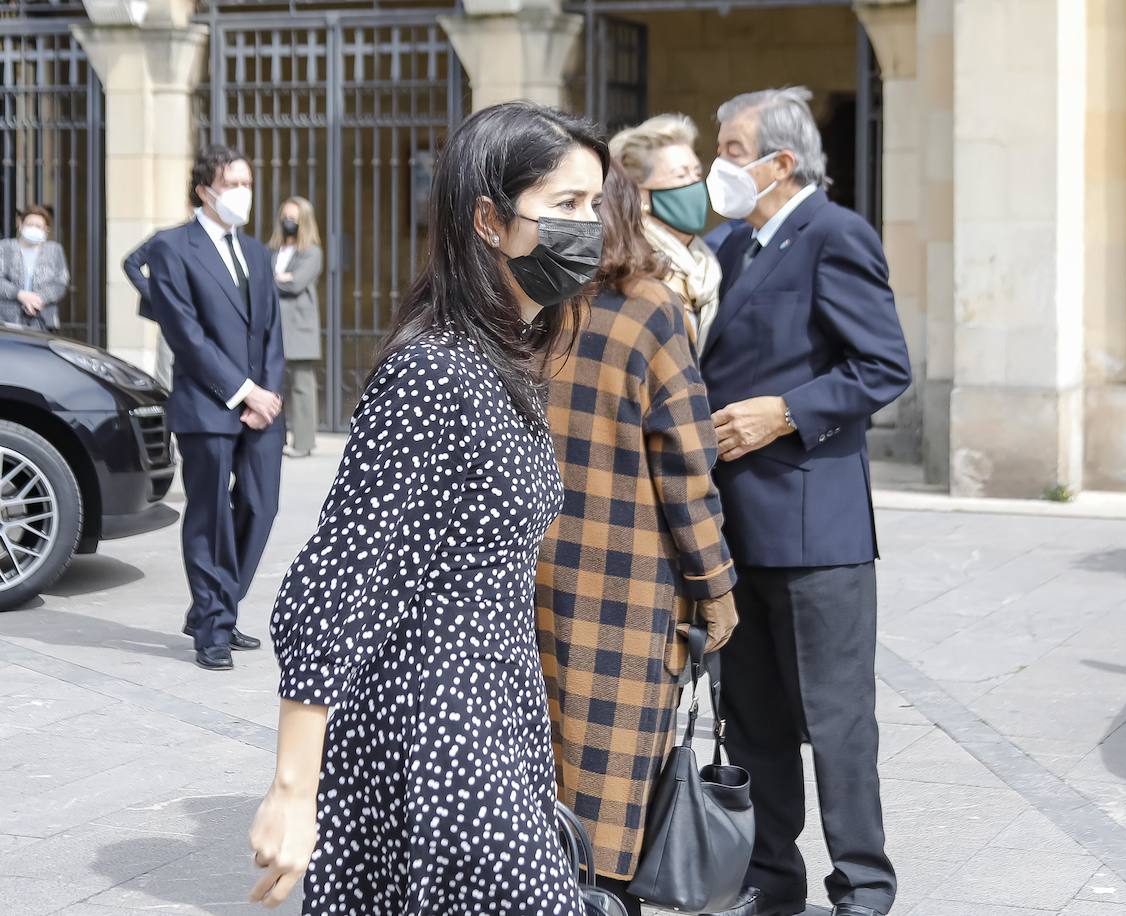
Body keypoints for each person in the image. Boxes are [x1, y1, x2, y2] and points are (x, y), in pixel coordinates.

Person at [247, 102, 607, 914]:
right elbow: (336, 577)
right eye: (565, 205)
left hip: (493, 706)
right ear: (488, 217)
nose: (588, 227)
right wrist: (291, 790)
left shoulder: (500, 359)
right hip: (438, 724)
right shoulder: (434, 373)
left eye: (595, 205)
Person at [699, 87, 911, 916]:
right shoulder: (730, 246)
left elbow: (883, 366)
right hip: (733, 529)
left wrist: (787, 412)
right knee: (753, 721)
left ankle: (862, 884)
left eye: (732, 147)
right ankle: (770, 877)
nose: (720, 164)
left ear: (781, 163)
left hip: (815, 528)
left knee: (837, 722)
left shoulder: (836, 235)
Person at [536, 159, 738, 916]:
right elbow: (687, 469)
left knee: (544, 770)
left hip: (534, 578)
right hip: (626, 590)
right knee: (613, 787)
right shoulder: (651, 308)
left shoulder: (534, 306)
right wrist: (716, 589)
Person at [143, 144, 286, 672]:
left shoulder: (256, 252)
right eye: (233, 184)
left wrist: (266, 396)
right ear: (205, 189)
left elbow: (270, 330)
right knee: (211, 518)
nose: (243, 193)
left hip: (262, 406)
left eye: (248, 183)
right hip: (207, 404)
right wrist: (242, 390)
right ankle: (212, 624)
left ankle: (217, 605)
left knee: (260, 506)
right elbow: (186, 334)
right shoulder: (172, 248)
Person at [611, 113, 721, 349]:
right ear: (640, 194)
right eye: (681, 175)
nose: (694, 185)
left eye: (697, 174)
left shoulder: (703, 262)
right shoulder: (632, 263)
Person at [269, 196, 324, 457]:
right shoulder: (275, 251)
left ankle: (303, 443)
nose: (287, 222)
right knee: (273, 383)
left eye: (293, 218)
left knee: (302, 385)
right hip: (275, 325)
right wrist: (279, 277)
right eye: (285, 217)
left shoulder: (312, 252)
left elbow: (296, 283)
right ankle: (274, 438)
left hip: (299, 327)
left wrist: (279, 279)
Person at [0, 204, 69, 332]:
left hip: (44, 320)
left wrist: (38, 299)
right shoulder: (5, 247)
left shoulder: (54, 250)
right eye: (29, 224)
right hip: (6, 320)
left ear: (46, 230)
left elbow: (60, 283)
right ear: (20, 225)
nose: (33, 228)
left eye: (38, 226)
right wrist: (20, 295)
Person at [124, 234, 176, 390]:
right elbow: (131, 263)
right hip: (173, 318)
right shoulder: (166, 238)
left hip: (209, 321)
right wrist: (156, 296)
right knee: (166, 380)